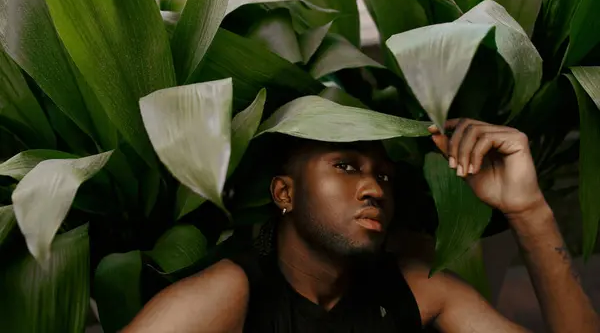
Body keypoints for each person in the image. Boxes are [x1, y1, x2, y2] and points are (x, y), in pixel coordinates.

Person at [123, 118, 600, 332]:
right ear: (284, 193)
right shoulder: (230, 294)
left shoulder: (414, 291)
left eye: (384, 176)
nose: (375, 188)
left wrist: (527, 210)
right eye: (346, 166)